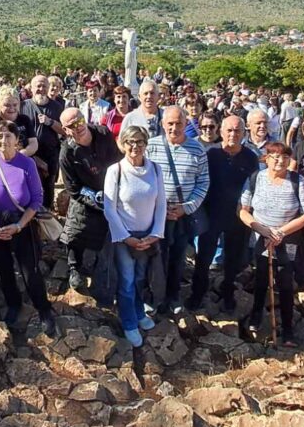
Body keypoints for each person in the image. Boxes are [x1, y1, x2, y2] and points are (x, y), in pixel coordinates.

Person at [0, 120, 57, 336]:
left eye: (8, 136)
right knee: (4, 268)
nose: (3, 140)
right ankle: (14, 304)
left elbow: (36, 199)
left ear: (17, 140)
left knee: (30, 270)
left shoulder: (27, 163)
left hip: (22, 223)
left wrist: (19, 225)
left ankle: (44, 309)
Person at [239, 142, 304, 346]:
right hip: (262, 238)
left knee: (286, 282)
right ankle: (256, 316)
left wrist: (280, 232)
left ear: (289, 159)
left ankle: (288, 330)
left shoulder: (298, 181)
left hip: (287, 240)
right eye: (274, 156)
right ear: (266, 158)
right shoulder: (256, 178)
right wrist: (262, 230)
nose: (279, 161)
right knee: (261, 277)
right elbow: (243, 210)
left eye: (283, 157)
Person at [189, 115, 259, 313]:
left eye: (237, 130)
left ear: (244, 133)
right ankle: (197, 293)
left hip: (238, 217)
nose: (233, 134)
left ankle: (228, 293)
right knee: (203, 258)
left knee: (233, 260)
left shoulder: (250, 157)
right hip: (212, 214)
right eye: (229, 130)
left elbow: (254, 187)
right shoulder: (211, 154)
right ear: (221, 132)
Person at [104, 125, 165, 347]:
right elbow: (109, 208)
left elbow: (161, 204)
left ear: (146, 144)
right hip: (125, 238)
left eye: (139, 142)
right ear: (122, 144)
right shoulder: (115, 171)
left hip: (147, 236)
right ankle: (129, 322)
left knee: (140, 278)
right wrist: (125, 237)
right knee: (127, 281)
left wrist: (156, 233)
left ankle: (139, 312)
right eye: (130, 141)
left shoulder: (155, 170)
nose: (135, 146)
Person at [146, 106, 210, 316]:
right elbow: (142, 177)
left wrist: (186, 208)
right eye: (170, 123)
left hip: (183, 215)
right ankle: (155, 296)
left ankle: (173, 296)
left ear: (186, 124)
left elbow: (203, 182)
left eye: (178, 123)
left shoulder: (197, 149)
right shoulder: (151, 146)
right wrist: (157, 207)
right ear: (163, 124)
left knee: (177, 256)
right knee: (156, 256)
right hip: (156, 214)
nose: (174, 128)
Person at [59, 107, 121, 301]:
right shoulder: (67, 153)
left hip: (111, 187)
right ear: (65, 129)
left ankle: (99, 271)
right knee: (74, 231)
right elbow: (73, 188)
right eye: (71, 126)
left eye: (80, 121)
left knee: (107, 235)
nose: (78, 127)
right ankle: (73, 267)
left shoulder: (102, 133)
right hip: (86, 194)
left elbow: (118, 161)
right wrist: (96, 199)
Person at [21, 75, 65, 209]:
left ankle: (47, 218)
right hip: (28, 155)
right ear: (31, 88)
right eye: (38, 86)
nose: (41, 89)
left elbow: (64, 131)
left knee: (48, 189)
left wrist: (50, 122)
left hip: (50, 155)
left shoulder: (57, 107)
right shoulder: (23, 106)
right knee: (27, 188)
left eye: (44, 86)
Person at [0, 86, 38, 157]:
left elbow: (33, 144)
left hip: (23, 159)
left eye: (15, 105)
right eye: (7, 105)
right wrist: (10, 157)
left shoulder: (25, 119)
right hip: (2, 164)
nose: (12, 108)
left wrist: (22, 154)